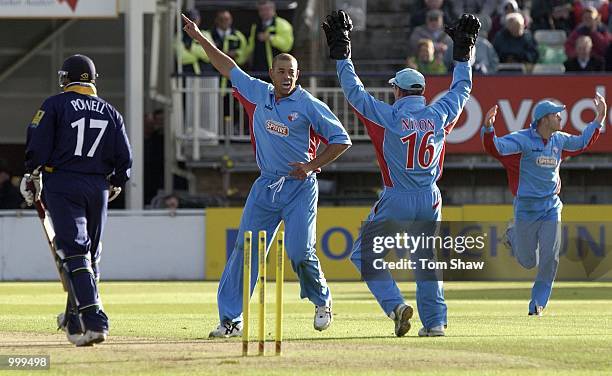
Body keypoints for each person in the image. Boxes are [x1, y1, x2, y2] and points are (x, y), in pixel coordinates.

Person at [181, 13, 351, 337]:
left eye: (292, 72)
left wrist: (311, 167)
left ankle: (322, 300)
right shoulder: (258, 92)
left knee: (300, 251)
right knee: (245, 252)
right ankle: (231, 320)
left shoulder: (308, 104)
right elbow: (227, 65)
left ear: (298, 76)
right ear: (271, 73)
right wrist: (201, 38)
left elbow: (342, 139)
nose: (286, 76)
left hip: (301, 187)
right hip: (265, 187)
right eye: (281, 71)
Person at [323, 10, 480, 337]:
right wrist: (463, 53)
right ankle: (435, 323)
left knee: (364, 255)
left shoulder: (388, 117)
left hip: (397, 197)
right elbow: (462, 89)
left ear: (397, 92)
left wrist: (343, 53)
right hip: (430, 196)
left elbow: (355, 93)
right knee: (427, 261)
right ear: (421, 92)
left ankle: (395, 305)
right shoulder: (439, 114)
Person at [20, 54, 132, 346]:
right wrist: (117, 182)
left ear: (66, 78)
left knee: (75, 252)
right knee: (89, 256)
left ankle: (95, 320)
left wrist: (31, 174)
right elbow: (125, 158)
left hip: (63, 181)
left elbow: (37, 141)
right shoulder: (111, 111)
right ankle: (74, 321)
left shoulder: (54, 104)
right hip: (98, 186)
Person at [481, 94, 606, 316]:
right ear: (543, 119)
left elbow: (582, 142)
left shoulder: (560, 140)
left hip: (551, 206)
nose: (561, 118)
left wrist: (600, 118)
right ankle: (513, 235)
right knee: (529, 261)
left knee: (550, 256)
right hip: (526, 209)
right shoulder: (522, 140)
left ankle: (537, 303)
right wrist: (489, 129)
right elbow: (497, 148)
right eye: (556, 115)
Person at [246, 0, 294, 73]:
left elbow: (287, 46)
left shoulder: (283, 24)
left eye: (267, 9)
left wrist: (271, 38)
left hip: (278, 70)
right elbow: (251, 46)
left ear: (273, 9)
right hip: (258, 69)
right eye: (261, 10)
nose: (264, 12)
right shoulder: (256, 26)